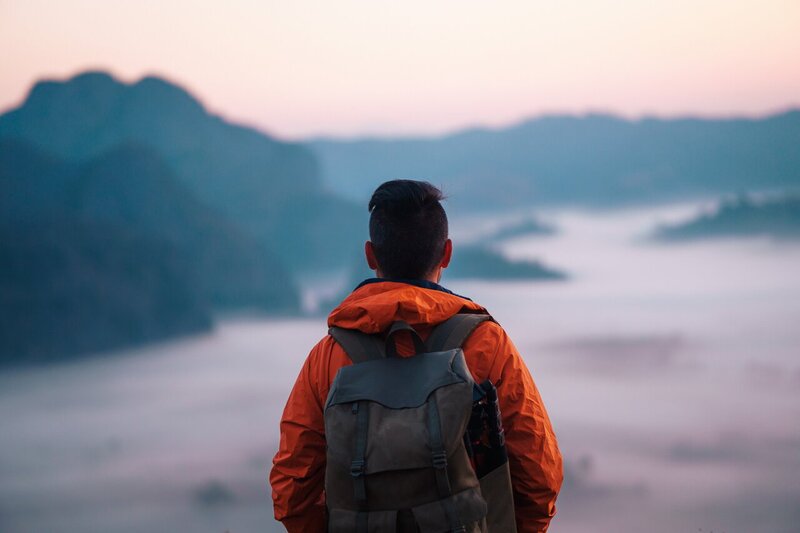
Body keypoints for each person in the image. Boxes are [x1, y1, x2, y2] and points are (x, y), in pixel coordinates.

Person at [270, 180, 563, 532]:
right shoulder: (485, 344)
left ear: (370, 255)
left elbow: (291, 488)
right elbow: (538, 474)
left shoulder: (328, 357)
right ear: (447, 253)